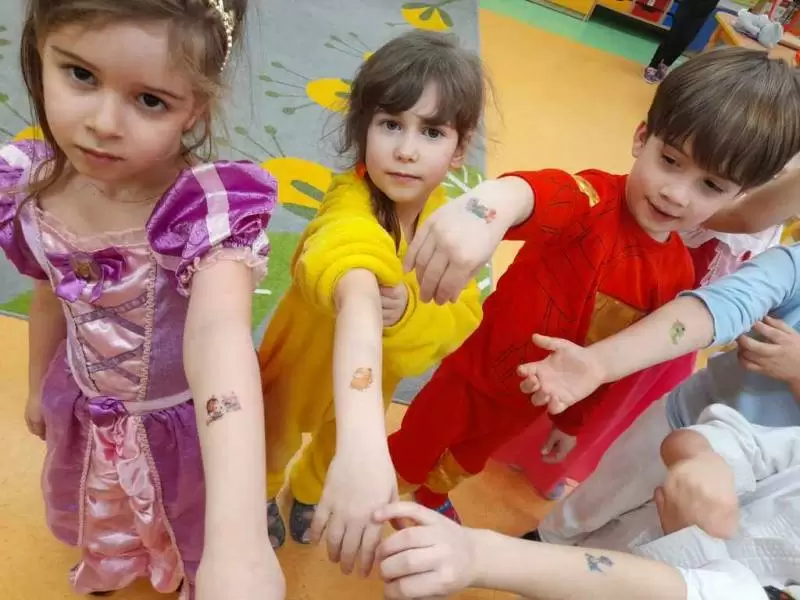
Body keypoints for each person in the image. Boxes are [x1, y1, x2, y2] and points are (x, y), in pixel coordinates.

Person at [386, 47, 800, 522]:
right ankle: (384, 494)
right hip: (470, 375)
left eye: (711, 186)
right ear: (641, 137)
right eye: (669, 160)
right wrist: (491, 204)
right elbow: (544, 192)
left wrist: (570, 422)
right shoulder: (591, 200)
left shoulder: (677, 276)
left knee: (470, 456)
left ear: (737, 196)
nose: (676, 193)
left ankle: (432, 493)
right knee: (416, 444)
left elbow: (609, 363)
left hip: (530, 401)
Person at [0, 1, 284, 598]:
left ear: (196, 107)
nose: (104, 123)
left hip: (182, 426)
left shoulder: (204, 211)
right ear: (40, 50)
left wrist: (240, 543)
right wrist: (34, 387)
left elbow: (219, 332)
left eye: (150, 100)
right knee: (100, 501)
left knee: (184, 517)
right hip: (83, 403)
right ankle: (112, 563)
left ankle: (182, 570)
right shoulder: (32, 186)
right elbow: (48, 294)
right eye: (80, 74)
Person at [257, 30, 484, 575]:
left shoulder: (450, 226)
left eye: (431, 132)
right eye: (390, 124)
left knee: (333, 446)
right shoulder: (349, 202)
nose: (406, 150)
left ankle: (307, 491)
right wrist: (361, 287)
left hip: (374, 379)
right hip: (301, 360)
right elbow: (343, 254)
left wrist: (407, 313)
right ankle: (260, 493)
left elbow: (464, 314)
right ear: (362, 128)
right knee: (271, 434)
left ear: (460, 148)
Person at [515, 241, 800, 545]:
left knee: (639, 544)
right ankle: (543, 541)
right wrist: (601, 362)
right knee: (593, 501)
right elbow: (727, 302)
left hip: (759, 489)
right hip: (684, 416)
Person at [373, 405, 800, 600]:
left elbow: (704, 591)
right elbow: (727, 437)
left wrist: (480, 555)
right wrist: (705, 457)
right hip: (602, 555)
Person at [644, 0, 720, 84]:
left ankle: (665, 64)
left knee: (685, 40)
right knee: (674, 35)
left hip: (704, 10)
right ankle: (653, 65)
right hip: (689, 4)